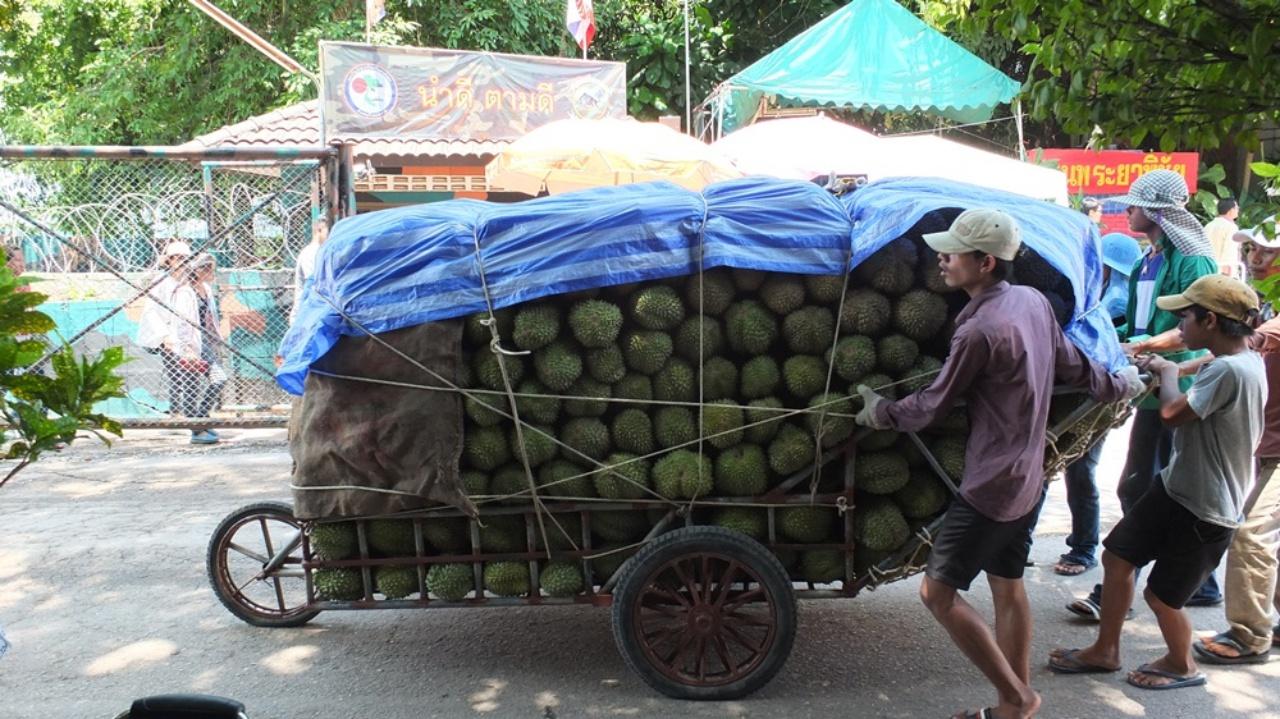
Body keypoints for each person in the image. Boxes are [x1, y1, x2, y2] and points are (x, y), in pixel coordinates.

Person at [854, 208, 1143, 719]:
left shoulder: (979, 330)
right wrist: (1120, 384)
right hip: (1030, 474)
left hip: (992, 484)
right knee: (1007, 586)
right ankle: (1014, 703)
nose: (942, 259)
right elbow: (1075, 364)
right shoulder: (1031, 301)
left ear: (985, 262)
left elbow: (932, 404)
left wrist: (882, 412)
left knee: (937, 593)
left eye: (953, 253)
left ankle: (1017, 697)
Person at [1049, 274, 1266, 691]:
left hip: (1206, 506)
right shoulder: (1240, 359)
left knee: (1162, 597)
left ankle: (1182, 664)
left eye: (1185, 317)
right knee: (1117, 557)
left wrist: (1167, 372)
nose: (1180, 326)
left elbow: (1171, 414)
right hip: (1175, 487)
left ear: (1210, 321)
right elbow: (1202, 364)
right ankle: (1106, 649)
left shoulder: (1229, 370)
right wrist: (1165, 362)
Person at [1066, 169, 1221, 619]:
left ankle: (1122, 588)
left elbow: (1191, 330)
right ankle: (1199, 583)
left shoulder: (1192, 260)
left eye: (1135, 204)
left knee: (1145, 488)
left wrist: (1139, 347)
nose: (1128, 210)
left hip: (1180, 389)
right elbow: (1139, 325)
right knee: (1153, 488)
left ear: (1157, 211)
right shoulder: (1144, 261)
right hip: (1148, 388)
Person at [1192, 219, 1280, 665]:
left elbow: (1237, 343)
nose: (1255, 259)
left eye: (1267, 251)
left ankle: (1249, 636)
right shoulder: (1264, 307)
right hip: (1268, 444)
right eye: (1251, 250)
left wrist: (1161, 355)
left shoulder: (1270, 324)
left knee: (1251, 536)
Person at [1054, 232, 1143, 576]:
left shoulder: (1116, 302)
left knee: (1081, 469)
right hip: (1077, 390)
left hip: (1099, 397)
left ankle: (1083, 548)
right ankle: (1020, 545)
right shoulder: (1092, 292)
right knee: (1050, 468)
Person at [137, 243, 219, 445]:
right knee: (183, 381)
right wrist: (164, 337)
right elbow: (151, 311)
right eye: (177, 257)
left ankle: (197, 421)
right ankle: (191, 426)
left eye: (185, 257)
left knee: (200, 380)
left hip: (195, 340)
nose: (182, 261)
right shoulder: (162, 282)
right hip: (172, 339)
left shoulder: (191, 283)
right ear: (169, 260)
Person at [1203, 198, 1240, 277]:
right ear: (1231, 210)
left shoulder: (1208, 226)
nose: (1238, 210)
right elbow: (1229, 253)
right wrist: (1227, 274)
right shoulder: (1231, 227)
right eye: (1237, 208)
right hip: (1222, 273)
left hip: (1207, 270)